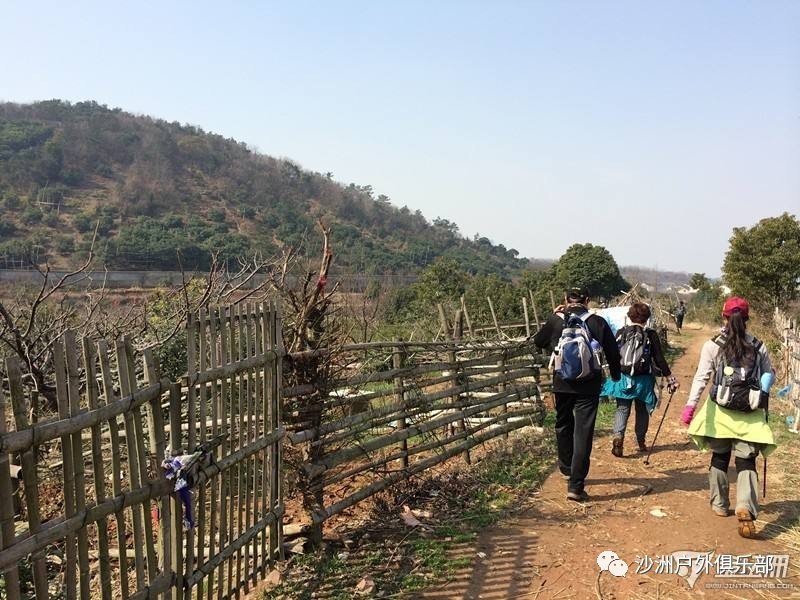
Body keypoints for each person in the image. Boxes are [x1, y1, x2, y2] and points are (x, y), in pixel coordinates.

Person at [679, 297, 776, 538]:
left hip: (720, 410)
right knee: (746, 461)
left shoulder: (713, 345)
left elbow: (702, 377)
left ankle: (720, 505)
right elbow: (767, 376)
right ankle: (745, 506)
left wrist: (690, 407)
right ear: (747, 318)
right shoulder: (758, 345)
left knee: (720, 457)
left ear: (724, 317)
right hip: (750, 413)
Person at [533, 288, 622, 502]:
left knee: (563, 423)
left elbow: (538, 341)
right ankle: (576, 484)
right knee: (583, 431)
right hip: (588, 385)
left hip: (561, 382)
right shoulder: (596, 322)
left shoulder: (556, 319)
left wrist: (553, 318)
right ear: (587, 301)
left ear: (565, 300)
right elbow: (612, 351)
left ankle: (565, 467)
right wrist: (616, 376)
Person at [603, 303, 679, 457]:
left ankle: (618, 437)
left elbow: (612, 355)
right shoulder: (650, 334)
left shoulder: (621, 332)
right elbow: (659, 359)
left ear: (630, 316)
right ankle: (641, 440)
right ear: (647, 318)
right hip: (644, 380)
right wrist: (670, 378)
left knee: (622, 409)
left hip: (624, 378)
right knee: (642, 410)